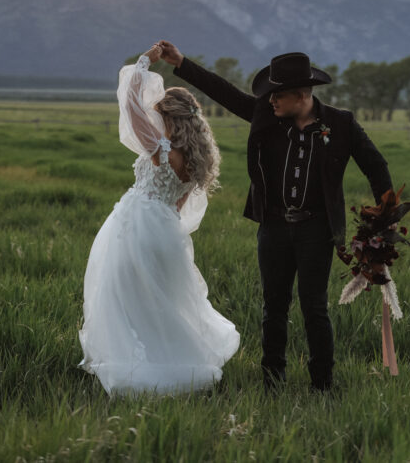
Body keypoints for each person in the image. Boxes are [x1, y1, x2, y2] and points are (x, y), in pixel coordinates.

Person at [157, 43, 392, 393]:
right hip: (274, 227)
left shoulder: (341, 125)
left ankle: (323, 385)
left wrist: (383, 225)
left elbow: (377, 168)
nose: (269, 101)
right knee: (274, 307)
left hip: (317, 229)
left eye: (276, 95)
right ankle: (272, 382)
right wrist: (182, 64)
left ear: (300, 95)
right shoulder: (267, 117)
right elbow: (226, 93)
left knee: (314, 308)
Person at [78, 44, 240, 395]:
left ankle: (141, 368)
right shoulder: (196, 161)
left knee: (123, 296)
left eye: (159, 114)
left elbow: (130, 104)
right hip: (165, 231)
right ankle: (176, 358)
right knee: (161, 301)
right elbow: (179, 206)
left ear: (168, 117)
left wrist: (145, 62)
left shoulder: (160, 150)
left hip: (137, 227)